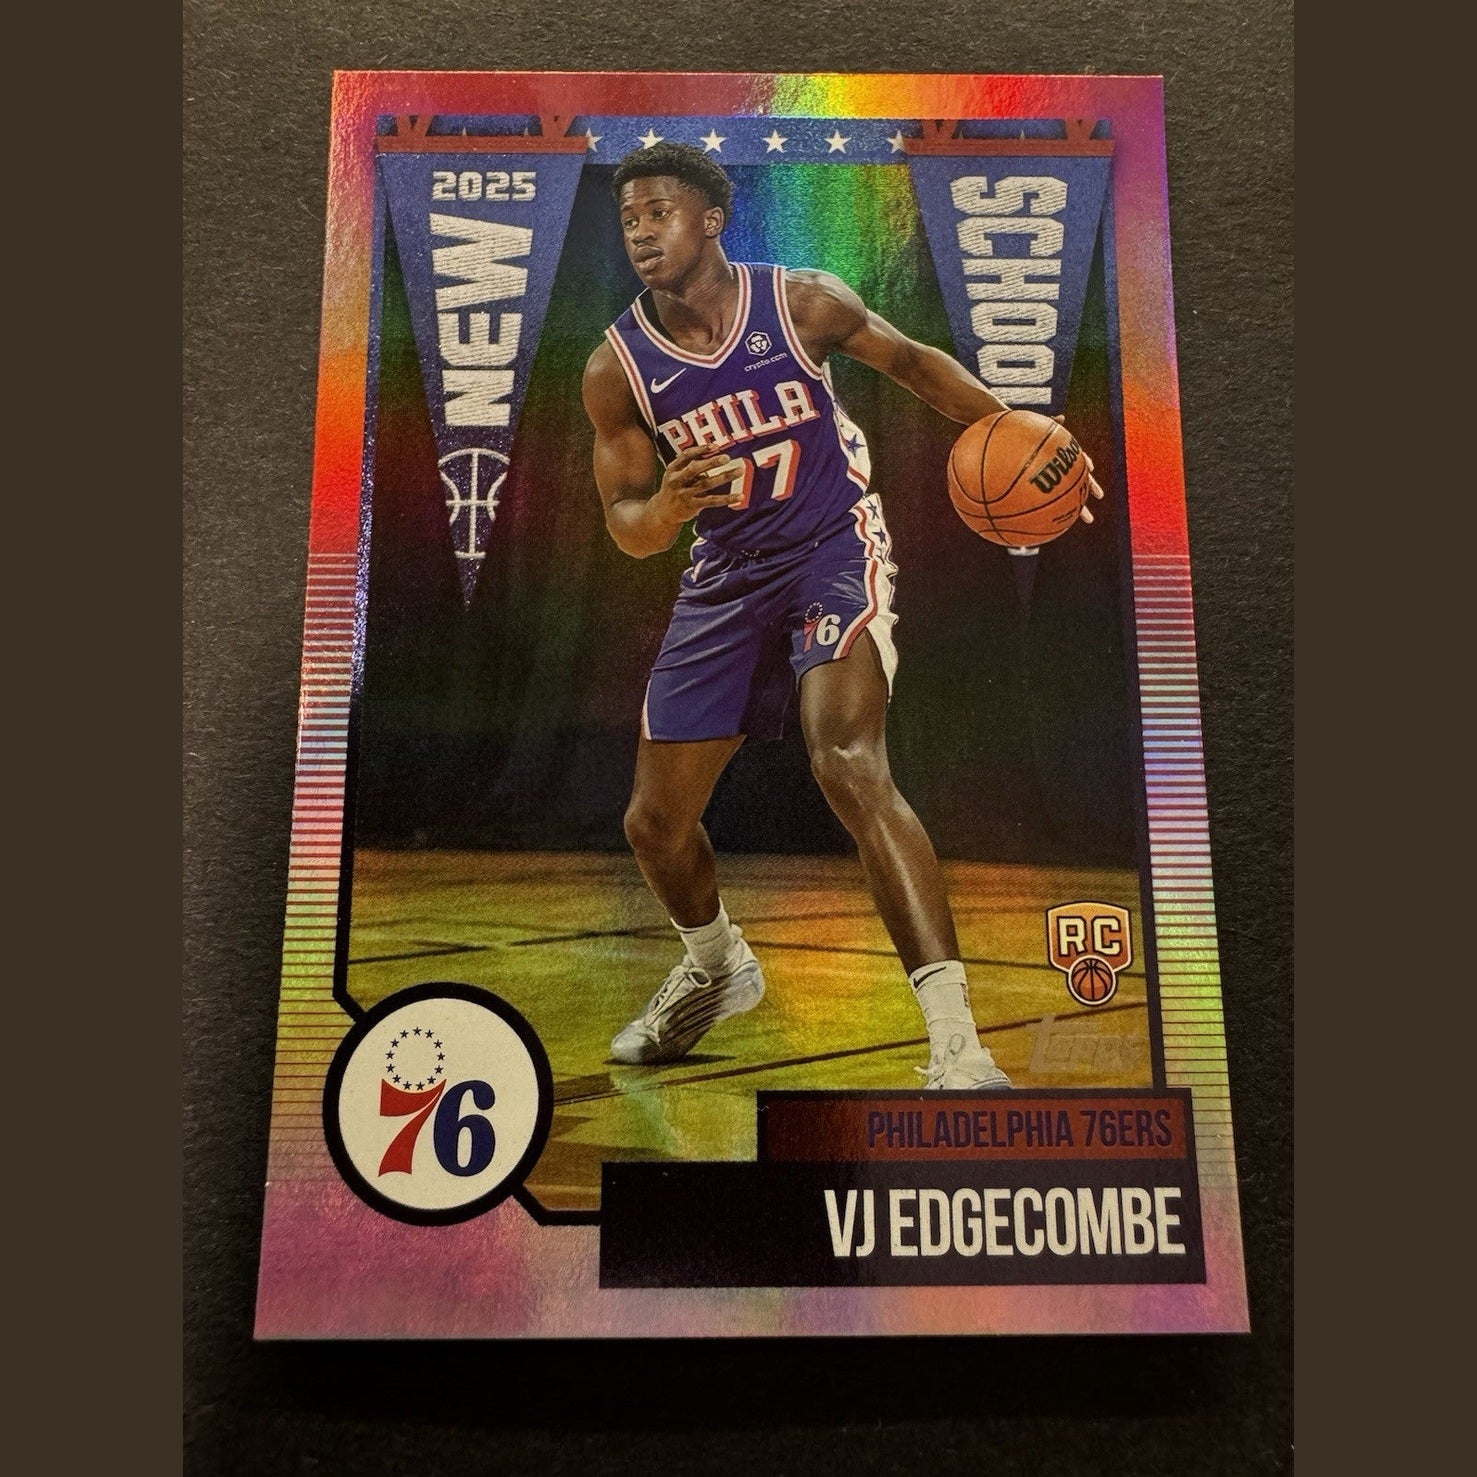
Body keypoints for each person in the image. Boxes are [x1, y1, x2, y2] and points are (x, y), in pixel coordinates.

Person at [581, 142, 1101, 1088]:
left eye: (659, 213)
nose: (642, 233)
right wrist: (666, 507)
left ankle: (955, 1042)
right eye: (629, 220)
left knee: (848, 760)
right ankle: (716, 967)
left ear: (710, 220)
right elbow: (627, 525)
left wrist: (1027, 436)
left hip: (831, 548)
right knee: (653, 824)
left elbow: (914, 364)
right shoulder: (615, 370)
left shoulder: (801, 302)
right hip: (725, 576)